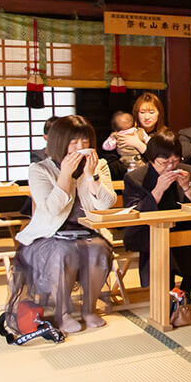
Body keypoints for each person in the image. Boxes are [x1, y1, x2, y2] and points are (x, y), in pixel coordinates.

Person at [12, 115, 116, 333]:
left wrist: (91, 175)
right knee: (63, 251)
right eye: (74, 142)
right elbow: (50, 209)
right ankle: (63, 313)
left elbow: (107, 205)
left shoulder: (99, 165)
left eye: (86, 142)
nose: (81, 147)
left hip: (87, 233)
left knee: (98, 249)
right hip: (48, 237)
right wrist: (65, 175)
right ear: (60, 142)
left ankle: (89, 309)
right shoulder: (40, 169)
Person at [121, 130, 191, 302]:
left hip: (181, 226)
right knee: (165, 245)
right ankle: (169, 295)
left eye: (175, 161)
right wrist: (157, 190)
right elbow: (132, 214)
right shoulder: (135, 178)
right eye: (164, 162)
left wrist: (188, 188)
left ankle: (185, 292)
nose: (170, 167)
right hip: (147, 230)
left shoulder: (188, 171)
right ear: (150, 159)